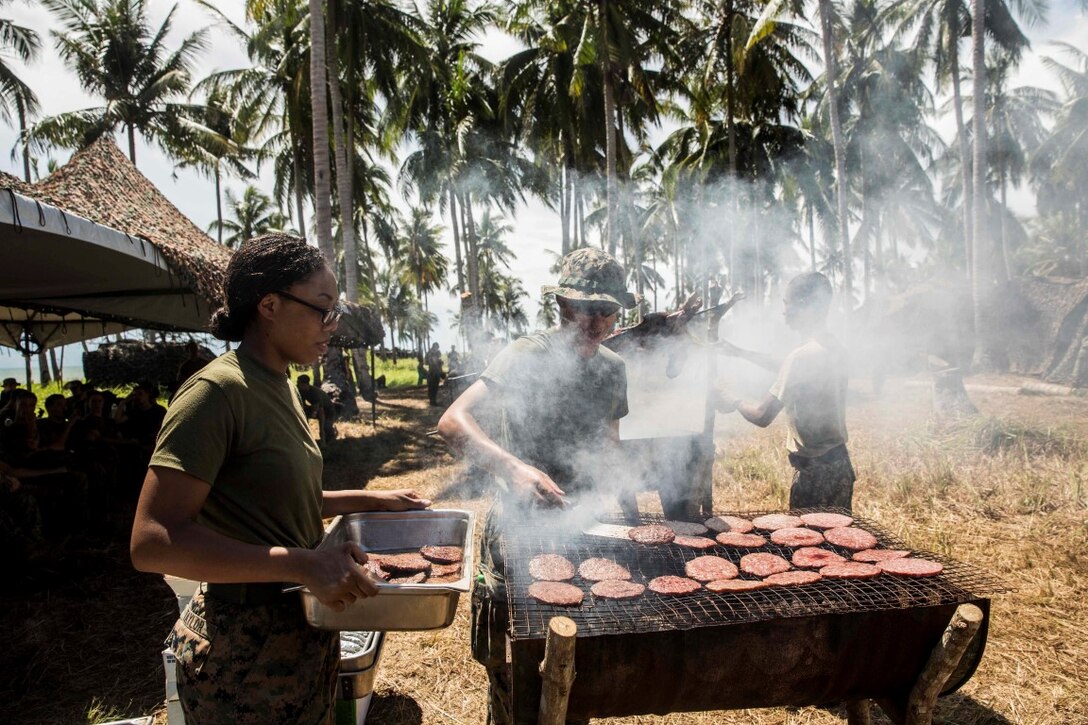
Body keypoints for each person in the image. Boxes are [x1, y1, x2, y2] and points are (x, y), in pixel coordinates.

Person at [129, 233, 431, 725]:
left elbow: (280, 499)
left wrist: (372, 499)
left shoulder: (281, 383)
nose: (331, 326)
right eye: (322, 309)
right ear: (269, 305)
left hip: (301, 632)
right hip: (241, 655)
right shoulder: (215, 392)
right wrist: (303, 565)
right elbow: (152, 541)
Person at [437, 247, 637, 725]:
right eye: (586, 310)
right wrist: (515, 470)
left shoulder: (613, 368)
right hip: (520, 531)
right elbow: (452, 422)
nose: (597, 322)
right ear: (563, 306)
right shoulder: (528, 353)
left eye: (607, 311)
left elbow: (611, 452)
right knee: (516, 678)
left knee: (573, 674)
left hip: (585, 531)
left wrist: (633, 519)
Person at [716, 271, 855, 511]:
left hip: (815, 477)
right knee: (836, 548)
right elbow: (786, 364)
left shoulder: (800, 358)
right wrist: (739, 352)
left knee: (811, 547)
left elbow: (762, 416)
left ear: (804, 306)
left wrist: (731, 399)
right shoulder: (833, 348)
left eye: (787, 303)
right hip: (839, 467)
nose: (784, 311)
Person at [296, 374, 337, 444]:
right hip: (316, 409)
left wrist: (321, 433)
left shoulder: (315, 392)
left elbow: (321, 412)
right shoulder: (302, 391)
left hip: (328, 412)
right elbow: (302, 406)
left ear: (305, 384)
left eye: (299, 383)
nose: (297, 385)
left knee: (326, 428)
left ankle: (330, 435)